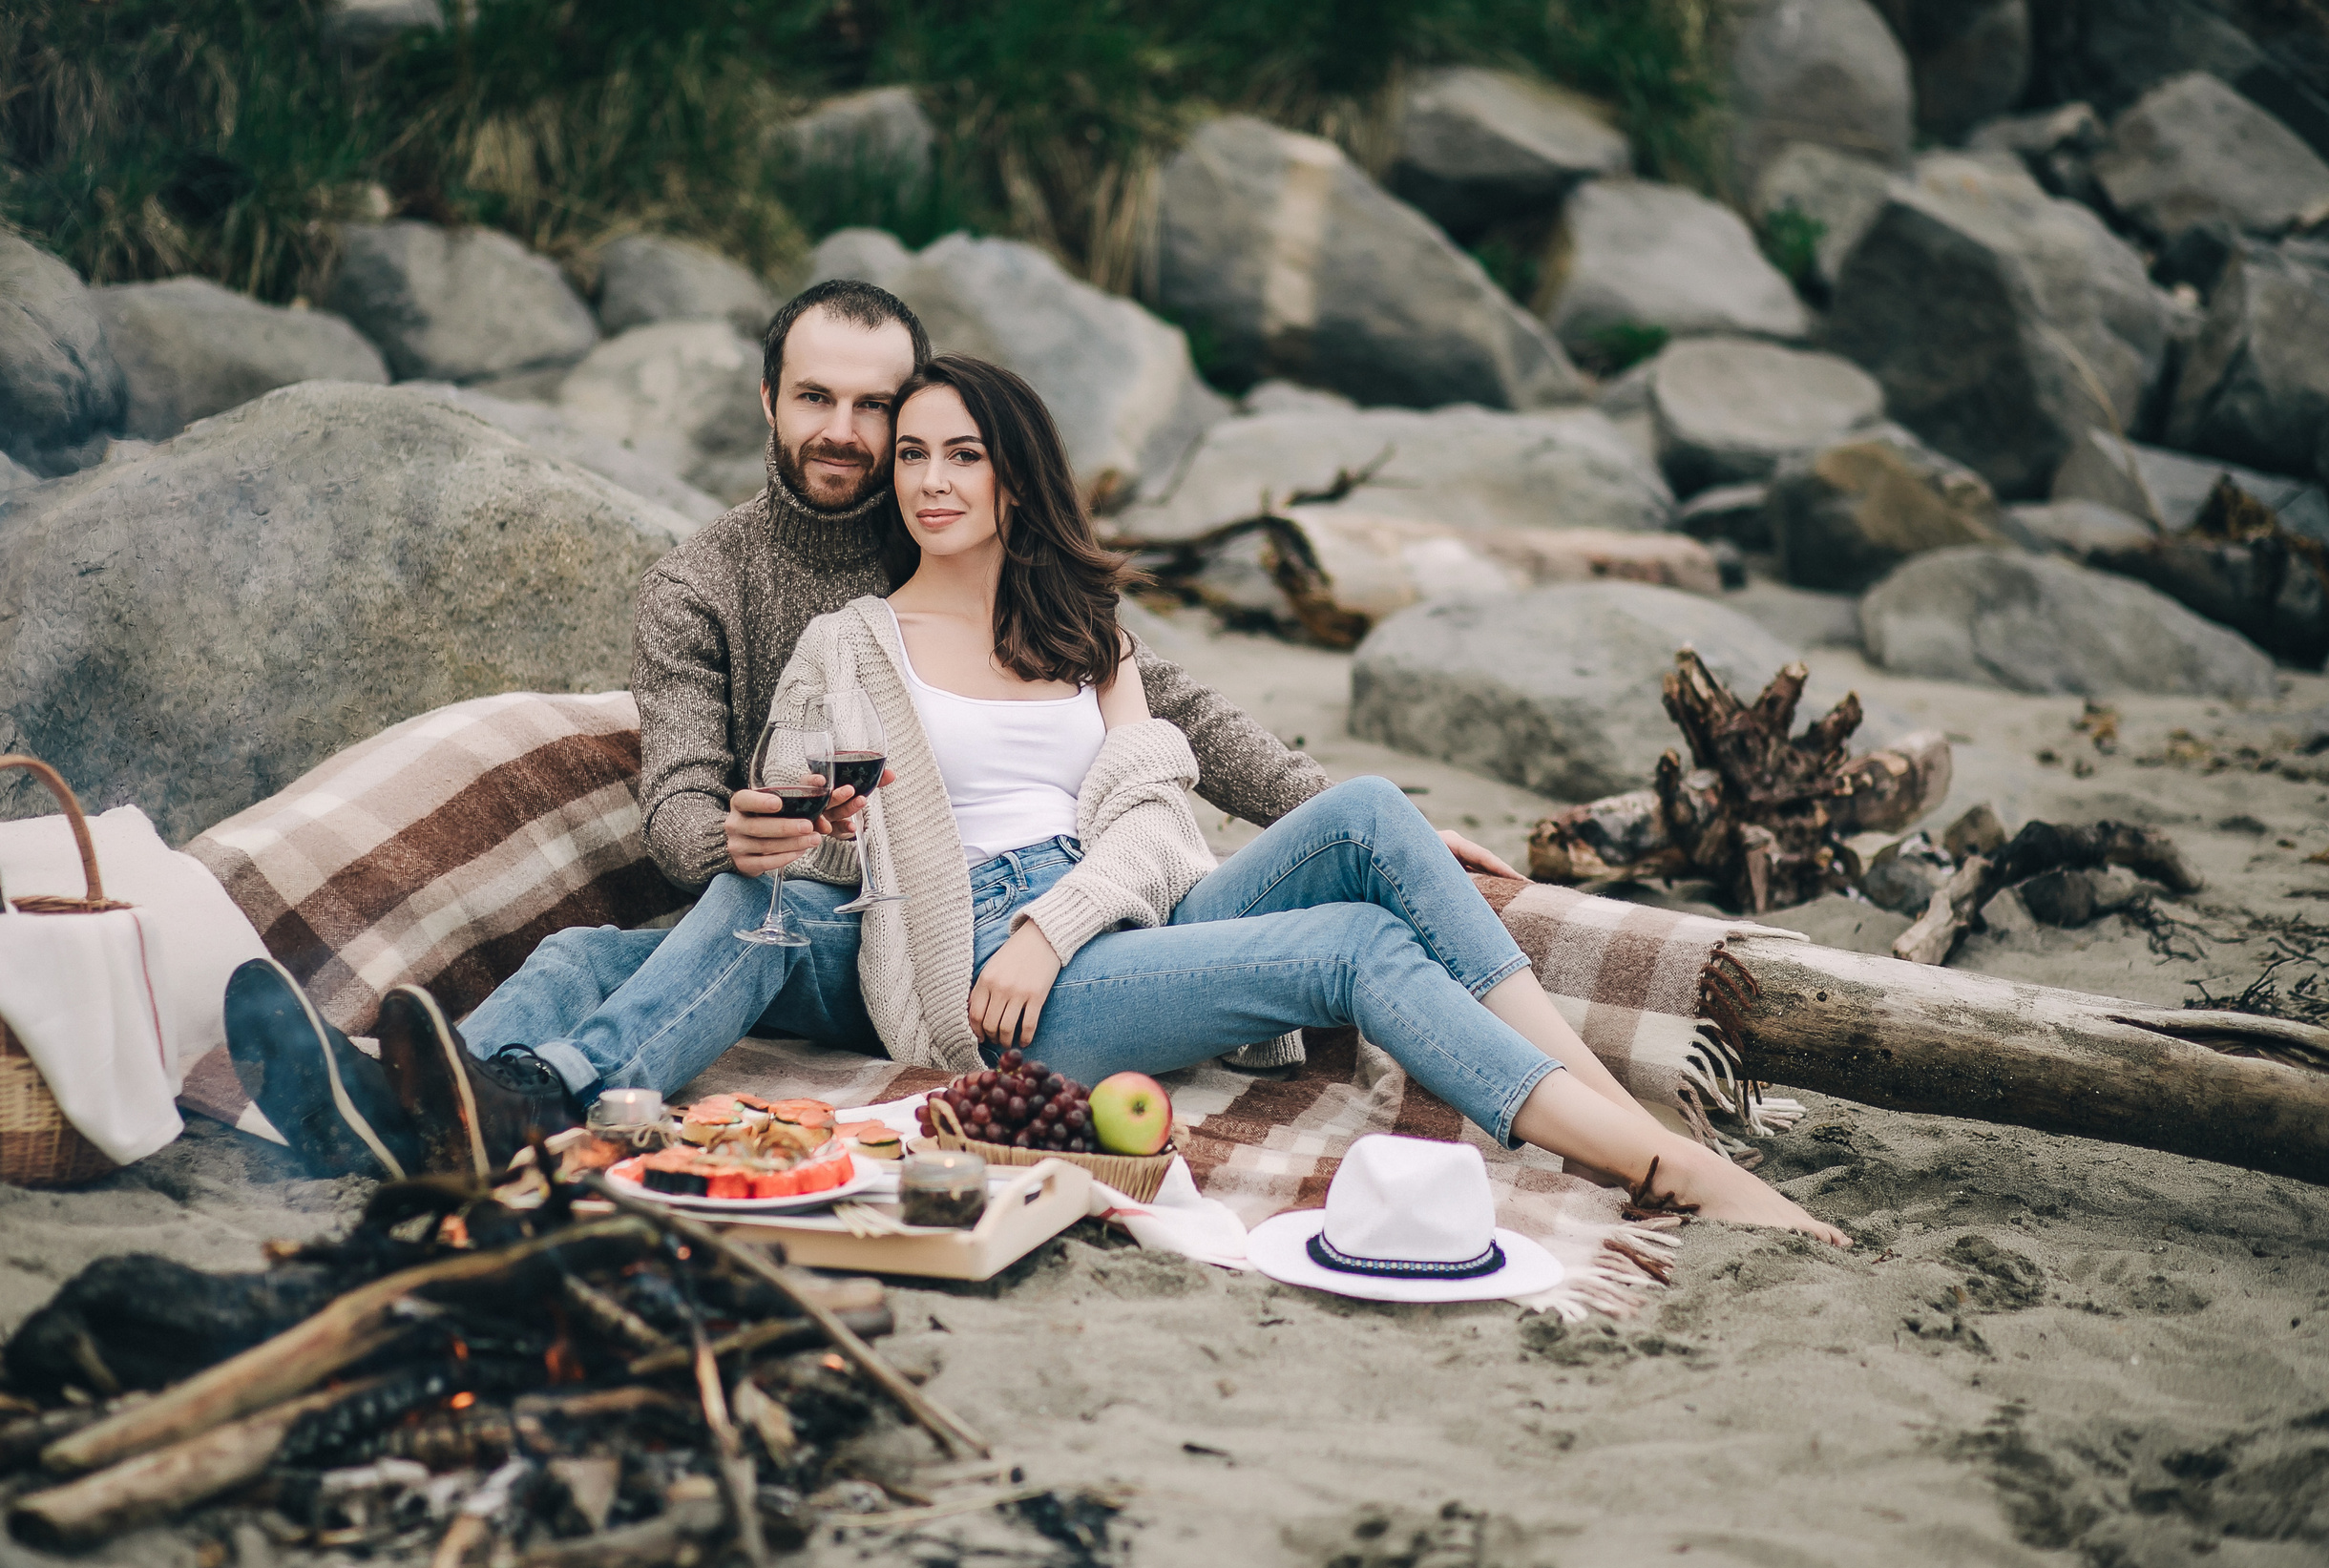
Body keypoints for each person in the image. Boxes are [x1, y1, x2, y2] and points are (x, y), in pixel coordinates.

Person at [225, 280, 1517, 1182]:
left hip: (950, 926)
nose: (853, 437)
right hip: (820, 891)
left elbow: (1163, 703)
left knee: (741, 915)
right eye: (816, 399)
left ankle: (527, 1096)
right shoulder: (704, 580)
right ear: (772, 401)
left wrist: (1323, 806)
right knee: (592, 945)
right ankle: (440, 1104)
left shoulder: (952, 521)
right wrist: (735, 823)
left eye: (879, 413)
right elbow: (679, 803)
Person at [751, 354, 1848, 1243]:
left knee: (1373, 808)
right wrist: (829, 833)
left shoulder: (1086, 635)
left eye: (963, 454)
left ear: (1016, 479)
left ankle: (1602, 1103)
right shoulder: (849, 646)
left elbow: (1145, 819)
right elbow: (814, 843)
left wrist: (1063, 917)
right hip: (996, 981)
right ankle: (1652, 1159)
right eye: (911, 456)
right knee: (1356, 946)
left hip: (1107, 916)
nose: (931, 480)